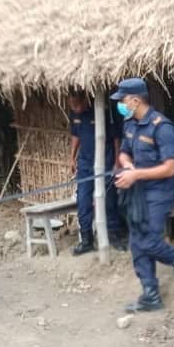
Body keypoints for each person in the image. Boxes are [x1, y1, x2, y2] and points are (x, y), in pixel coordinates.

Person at [111, 78, 174, 312]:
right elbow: (124, 153)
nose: (120, 104)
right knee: (136, 242)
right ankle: (150, 295)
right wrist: (127, 165)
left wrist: (136, 174)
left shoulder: (162, 127)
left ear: (135, 100)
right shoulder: (130, 124)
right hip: (137, 192)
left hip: (159, 193)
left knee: (148, 241)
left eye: (122, 100)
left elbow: (170, 168)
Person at [68, 91, 125, 255]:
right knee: (83, 201)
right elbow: (75, 135)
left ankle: (114, 235)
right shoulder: (75, 115)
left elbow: (116, 138)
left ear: (84, 100)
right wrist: (72, 158)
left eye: (76, 105)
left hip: (105, 162)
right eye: (72, 105)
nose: (74, 108)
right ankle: (86, 240)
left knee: (109, 200)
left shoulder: (103, 112)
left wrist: (116, 161)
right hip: (85, 164)